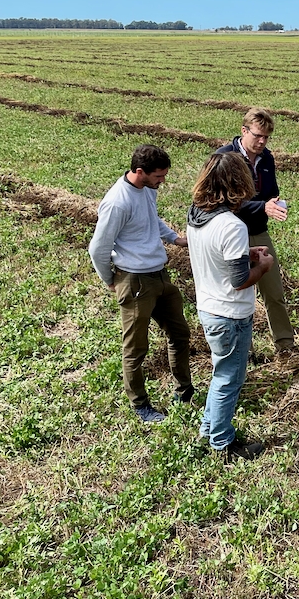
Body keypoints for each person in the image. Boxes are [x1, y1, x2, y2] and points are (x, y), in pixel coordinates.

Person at [88, 144, 194, 424]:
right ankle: (141, 405)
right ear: (139, 172)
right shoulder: (117, 202)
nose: (163, 181)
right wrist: (111, 280)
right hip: (134, 281)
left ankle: (183, 391)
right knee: (136, 348)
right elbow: (98, 248)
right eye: (159, 176)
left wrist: (174, 238)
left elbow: (151, 220)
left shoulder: (147, 190)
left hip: (159, 274)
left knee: (180, 334)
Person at [186, 152, 276, 461]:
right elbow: (239, 281)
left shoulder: (196, 214)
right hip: (231, 313)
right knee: (230, 379)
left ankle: (208, 429)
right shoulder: (232, 226)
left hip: (208, 307)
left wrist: (245, 252)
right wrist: (262, 265)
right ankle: (222, 443)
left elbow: (216, 254)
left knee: (220, 372)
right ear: (239, 184)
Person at [214, 108, 296, 357]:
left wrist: (275, 203)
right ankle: (243, 351)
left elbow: (271, 191)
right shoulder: (223, 158)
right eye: (258, 136)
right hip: (231, 234)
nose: (262, 142)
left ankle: (285, 346)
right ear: (244, 131)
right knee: (238, 293)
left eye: (267, 138)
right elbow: (223, 200)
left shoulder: (267, 158)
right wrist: (263, 206)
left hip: (259, 231)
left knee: (274, 291)